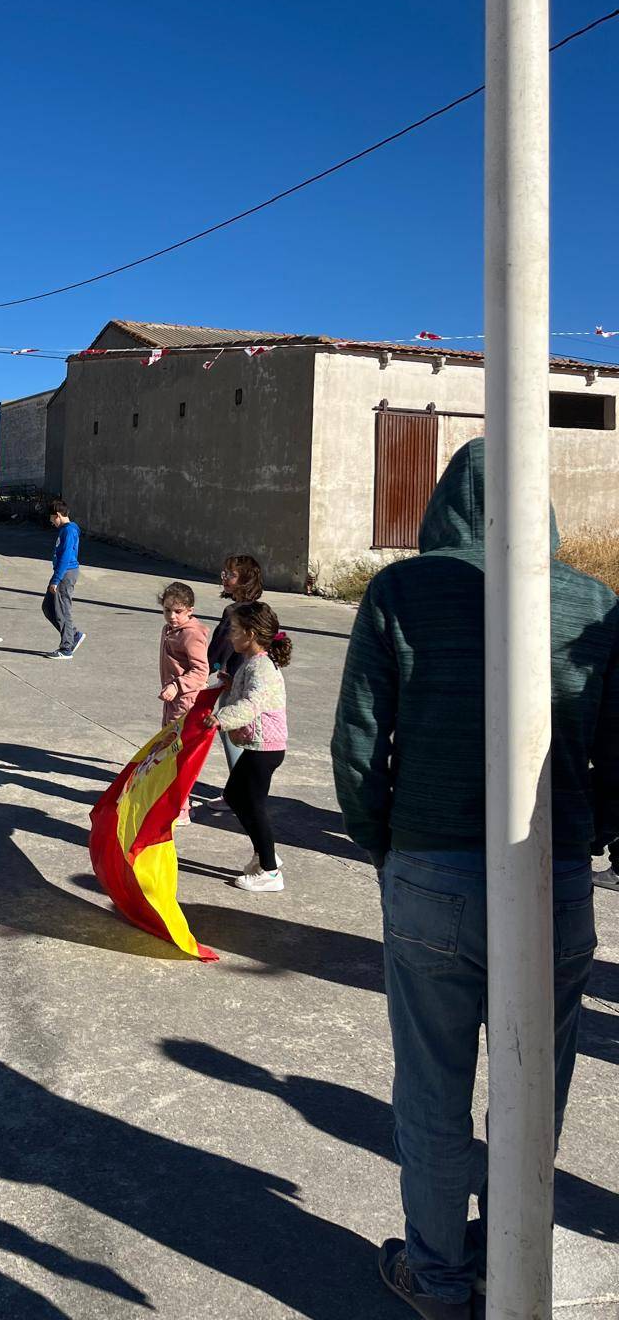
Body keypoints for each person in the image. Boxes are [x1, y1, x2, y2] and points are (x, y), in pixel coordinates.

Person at [331, 438, 619, 1318]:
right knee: (536, 1087)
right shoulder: (595, 603)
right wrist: (589, 836)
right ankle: (512, 1257)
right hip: (556, 874)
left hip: (431, 872)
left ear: (448, 499)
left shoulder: (400, 591)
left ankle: (438, 1275)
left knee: (431, 1091)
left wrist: (387, 844)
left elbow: (356, 745)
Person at [201, 602, 291, 892]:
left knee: (253, 805)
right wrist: (229, 685)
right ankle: (264, 854)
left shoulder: (261, 666)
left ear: (251, 634)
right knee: (235, 796)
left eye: (235, 630)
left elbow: (251, 704)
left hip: (266, 747)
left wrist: (219, 719)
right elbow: (246, 694)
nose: (230, 636)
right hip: (257, 745)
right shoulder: (252, 663)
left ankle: (270, 871)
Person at [207, 554, 265, 778]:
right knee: (248, 732)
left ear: (246, 580)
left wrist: (207, 668)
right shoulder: (261, 609)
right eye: (225, 572)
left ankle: (237, 788)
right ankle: (241, 787)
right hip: (256, 677)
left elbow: (221, 648)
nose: (225, 577)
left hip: (235, 679)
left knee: (229, 728)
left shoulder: (233, 612)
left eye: (231, 574)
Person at [158, 582, 209, 728]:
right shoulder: (168, 629)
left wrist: (176, 686)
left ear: (190, 611)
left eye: (178, 611)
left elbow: (201, 671)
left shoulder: (191, 634)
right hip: (172, 698)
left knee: (177, 743)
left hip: (186, 699)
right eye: (167, 610)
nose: (171, 616)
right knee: (168, 741)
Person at [44, 501, 85, 660]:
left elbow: (66, 557)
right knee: (48, 607)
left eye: (52, 518)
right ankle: (73, 634)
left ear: (58, 516)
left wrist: (56, 580)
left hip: (66, 573)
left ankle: (66, 648)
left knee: (63, 609)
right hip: (62, 573)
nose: (51, 521)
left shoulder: (69, 531)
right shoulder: (66, 530)